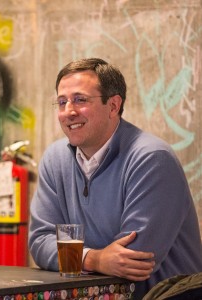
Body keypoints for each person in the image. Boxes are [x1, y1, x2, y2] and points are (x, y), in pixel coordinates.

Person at [28, 57, 202, 298]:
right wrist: (96, 259)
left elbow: (133, 260)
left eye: (80, 100)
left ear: (113, 105)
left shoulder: (151, 158)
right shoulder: (55, 159)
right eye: (61, 102)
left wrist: (74, 257)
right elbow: (40, 240)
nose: (69, 111)